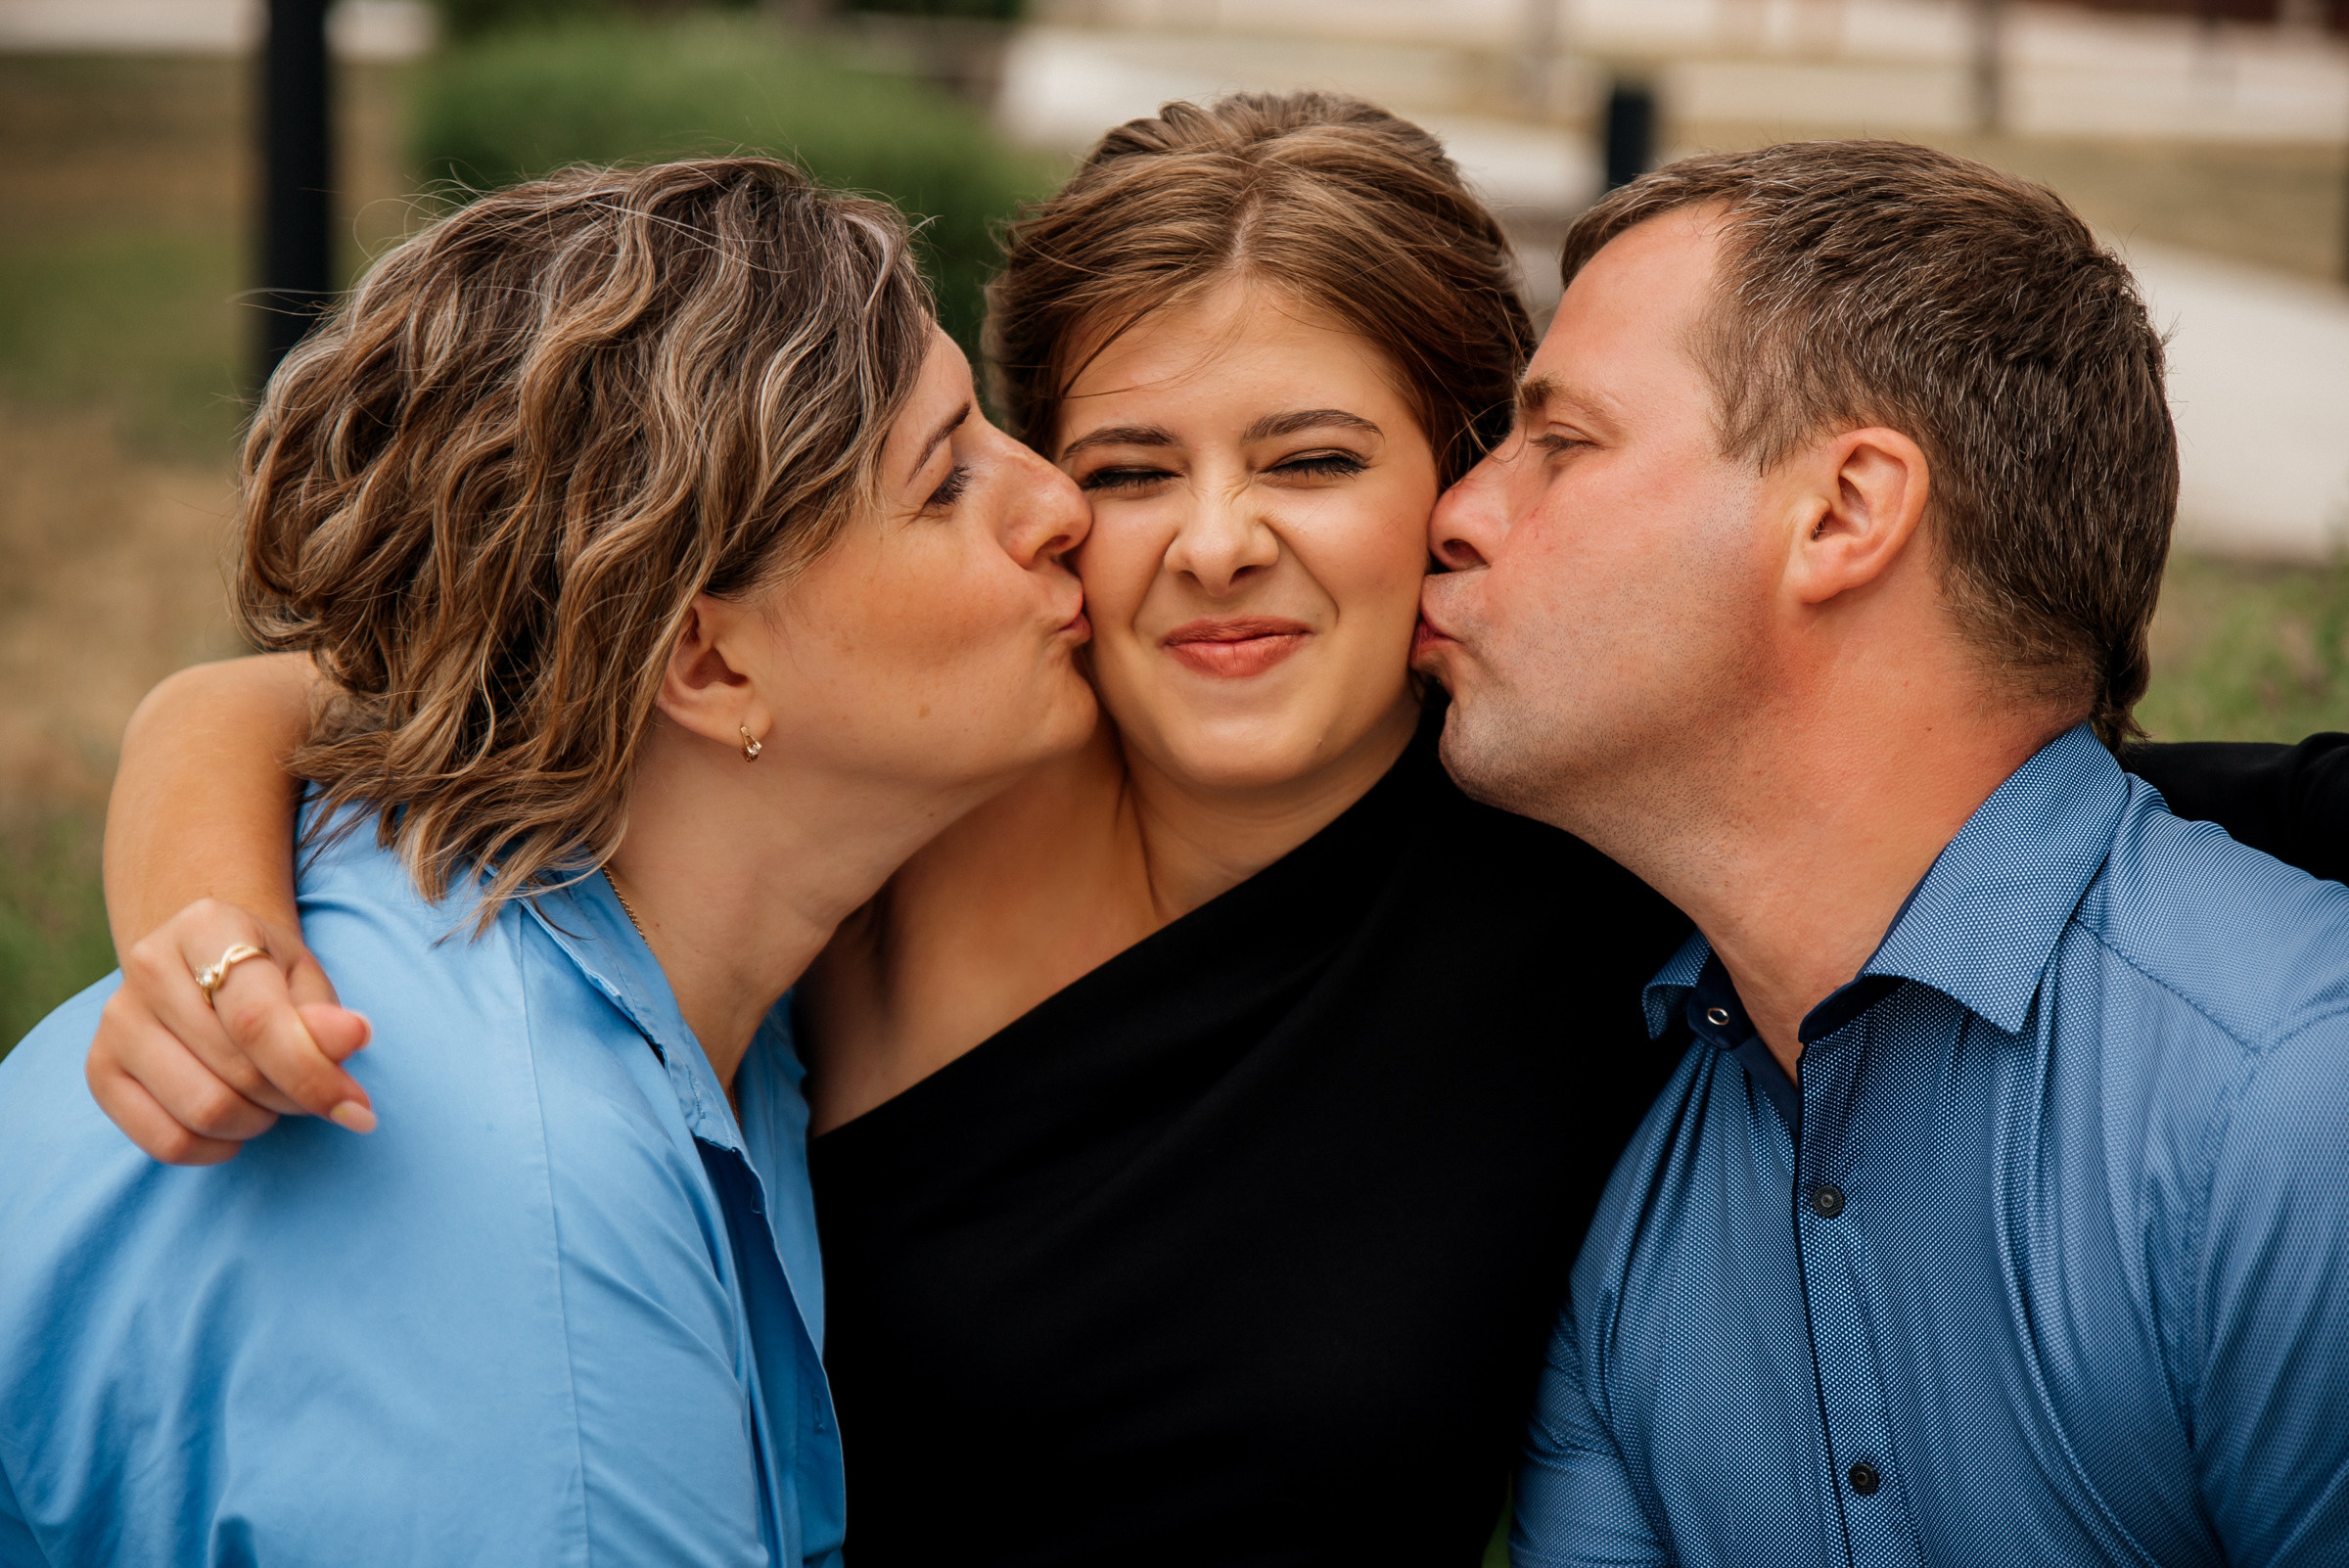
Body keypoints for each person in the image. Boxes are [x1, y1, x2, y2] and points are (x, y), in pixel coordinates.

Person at [69, 110, 2349, 1565]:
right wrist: (198, 869)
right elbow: (454, 696)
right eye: (1128, 467)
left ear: (1464, 495)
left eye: (1316, 461)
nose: (1215, 545)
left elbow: (1995, 807)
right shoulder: (898, 782)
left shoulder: (1578, 864)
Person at [0, 157, 1096, 1565]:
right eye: (945, 481)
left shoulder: (572, 912)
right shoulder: (526, 1233)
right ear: (707, 662)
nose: (1061, 501)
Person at [1415, 140, 2349, 1566]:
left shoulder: (2288, 1108)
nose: (1457, 511)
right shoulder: (1636, 1225)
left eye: (1563, 440)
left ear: (1844, 512)